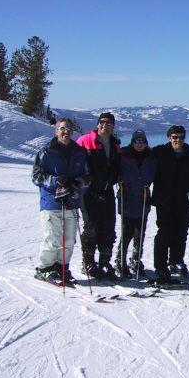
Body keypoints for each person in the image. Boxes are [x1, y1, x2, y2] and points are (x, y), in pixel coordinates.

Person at [32, 118, 87, 284]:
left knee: (69, 239)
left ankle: (62, 267)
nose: (66, 132)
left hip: (71, 201)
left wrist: (78, 182)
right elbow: (36, 176)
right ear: (56, 131)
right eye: (62, 128)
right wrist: (56, 181)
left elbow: (87, 175)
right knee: (53, 238)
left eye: (69, 129)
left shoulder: (79, 152)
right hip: (51, 202)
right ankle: (45, 268)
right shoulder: (46, 151)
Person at [76, 112, 121, 280]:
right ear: (97, 124)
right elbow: (75, 162)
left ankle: (105, 262)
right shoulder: (85, 140)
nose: (105, 125)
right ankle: (88, 262)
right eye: (102, 122)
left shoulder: (115, 144)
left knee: (108, 226)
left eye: (109, 123)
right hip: (88, 191)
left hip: (107, 189)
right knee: (91, 227)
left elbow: (116, 166)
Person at [151, 125, 189, 280]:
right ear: (169, 138)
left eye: (181, 137)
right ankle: (160, 265)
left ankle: (176, 260)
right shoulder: (160, 153)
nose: (178, 140)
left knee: (181, 233)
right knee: (164, 233)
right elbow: (143, 160)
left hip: (183, 202)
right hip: (164, 201)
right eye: (175, 137)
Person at [115, 129, 156, 279]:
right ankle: (120, 260)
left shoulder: (150, 157)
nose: (140, 144)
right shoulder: (124, 155)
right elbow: (115, 169)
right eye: (137, 141)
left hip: (143, 197)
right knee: (127, 232)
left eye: (142, 141)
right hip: (127, 196)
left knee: (140, 232)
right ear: (132, 143)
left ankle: (136, 259)